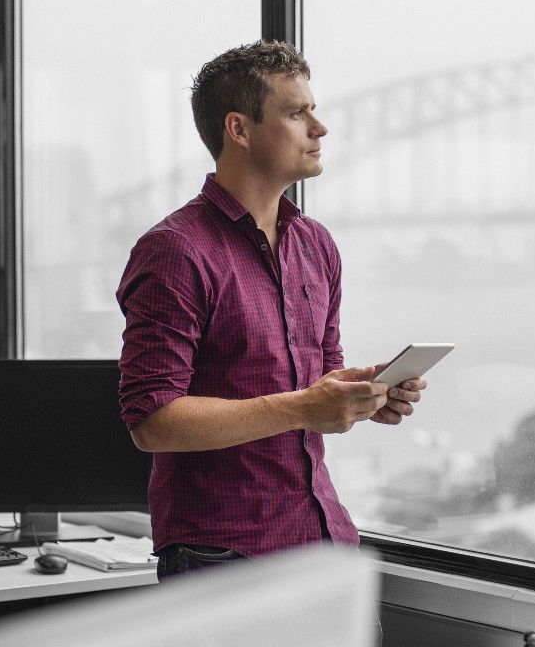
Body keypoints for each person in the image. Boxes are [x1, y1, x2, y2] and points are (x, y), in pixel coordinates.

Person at [116, 40, 427, 581]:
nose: (320, 128)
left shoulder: (316, 245)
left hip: (323, 543)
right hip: (223, 558)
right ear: (239, 129)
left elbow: (317, 381)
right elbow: (153, 420)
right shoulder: (176, 250)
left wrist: (360, 395)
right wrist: (307, 407)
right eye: (296, 112)